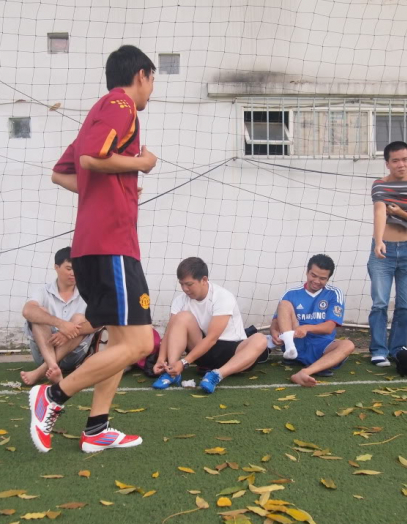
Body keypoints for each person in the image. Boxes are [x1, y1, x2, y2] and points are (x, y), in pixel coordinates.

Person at [29, 45, 157, 454]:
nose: (151, 90)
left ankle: (98, 427)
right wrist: (141, 164)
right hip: (111, 247)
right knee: (141, 345)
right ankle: (53, 396)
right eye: (153, 80)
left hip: (96, 246)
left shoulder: (96, 112)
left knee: (121, 343)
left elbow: (61, 174)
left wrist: (107, 191)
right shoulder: (121, 105)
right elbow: (91, 157)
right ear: (141, 75)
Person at [151, 257, 269, 394]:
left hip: (233, 353)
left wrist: (184, 362)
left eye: (189, 284)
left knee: (260, 339)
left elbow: (212, 338)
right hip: (203, 351)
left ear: (204, 280)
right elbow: (169, 333)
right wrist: (160, 359)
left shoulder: (222, 297)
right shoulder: (180, 301)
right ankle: (172, 372)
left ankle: (216, 375)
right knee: (181, 317)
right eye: (181, 284)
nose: (185, 289)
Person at [368, 141, 407, 367]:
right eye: (395, 160)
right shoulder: (380, 185)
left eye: (404, 159)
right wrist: (378, 242)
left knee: (405, 305)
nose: (401, 164)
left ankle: (397, 349)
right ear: (387, 163)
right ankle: (378, 350)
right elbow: (379, 212)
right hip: (383, 249)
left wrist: (401, 212)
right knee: (380, 303)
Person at [269, 254, 355, 387]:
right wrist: (274, 332)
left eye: (322, 278)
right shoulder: (291, 293)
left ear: (328, 278)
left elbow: (329, 327)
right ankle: (291, 350)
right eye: (313, 275)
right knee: (284, 304)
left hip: (322, 346)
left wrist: (306, 328)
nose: (316, 281)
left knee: (348, 345)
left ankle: (305, 372)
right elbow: (275, 323)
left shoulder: (334, 293)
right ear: (307, 272)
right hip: (296, 341)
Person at [20, 246, 96, 386]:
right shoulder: (43, 291)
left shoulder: (87, 292)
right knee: (39, 312)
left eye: (77, 269)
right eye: (69, 268)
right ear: (56, 267)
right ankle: (52, 366)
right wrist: (62, 325)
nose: (74, 273)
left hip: (73, 356)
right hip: (43, 353)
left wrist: (68, 332)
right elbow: (27, 311)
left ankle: (43, 370)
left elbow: (97, 323)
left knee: (79, 318)